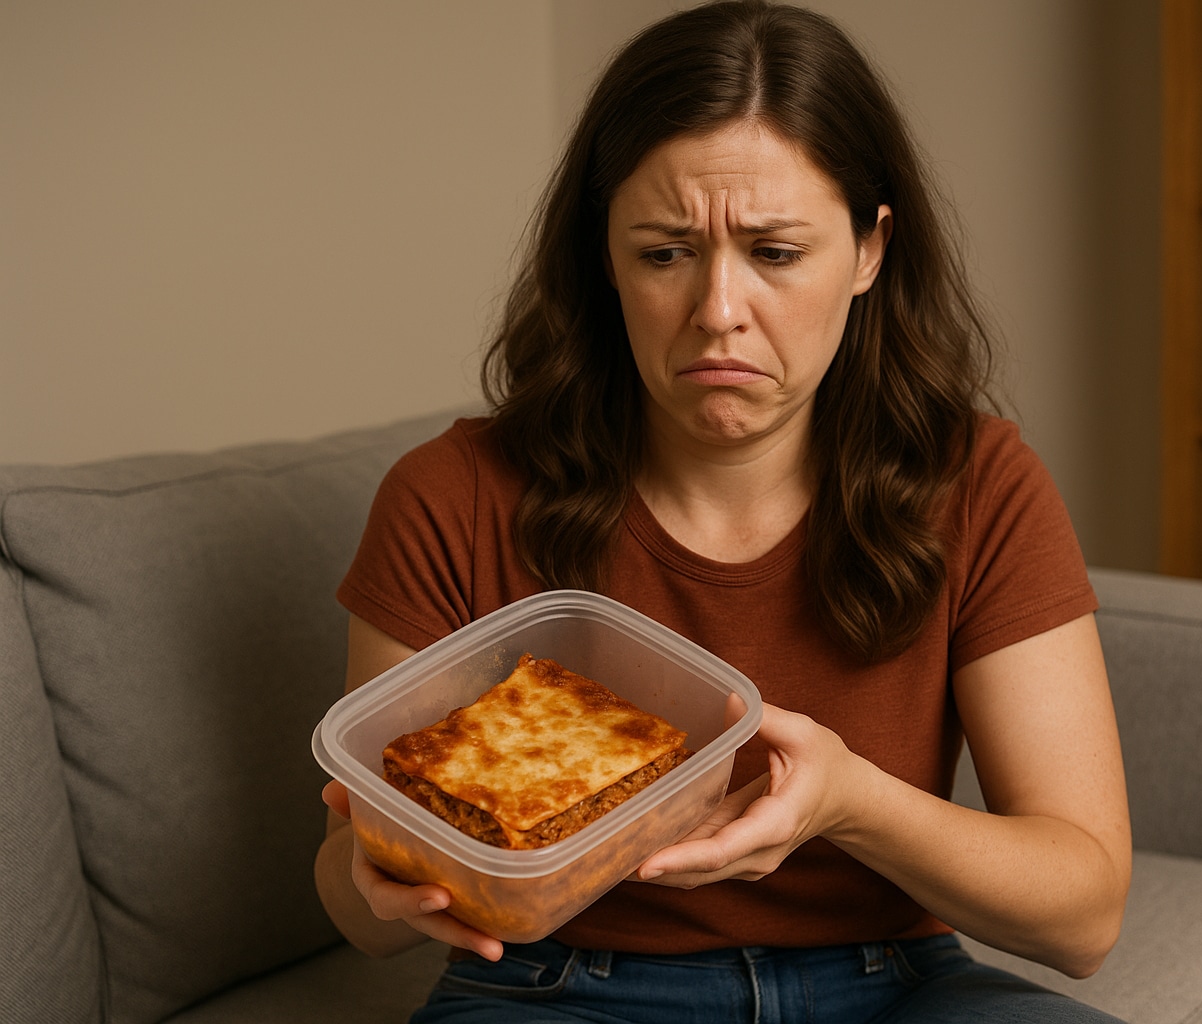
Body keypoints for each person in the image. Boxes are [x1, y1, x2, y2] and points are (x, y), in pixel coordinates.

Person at [314, 2, 1132, 1021]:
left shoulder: (978, 484)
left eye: (776, 252)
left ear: (869, 250)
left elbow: (1084, 919)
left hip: (892, 986)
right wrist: (378, 878)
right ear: (603, 256)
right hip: (553, 989)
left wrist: (852, 802)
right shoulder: (452, 496)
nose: (718, 312)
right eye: (664, 253)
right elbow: (358, 902)